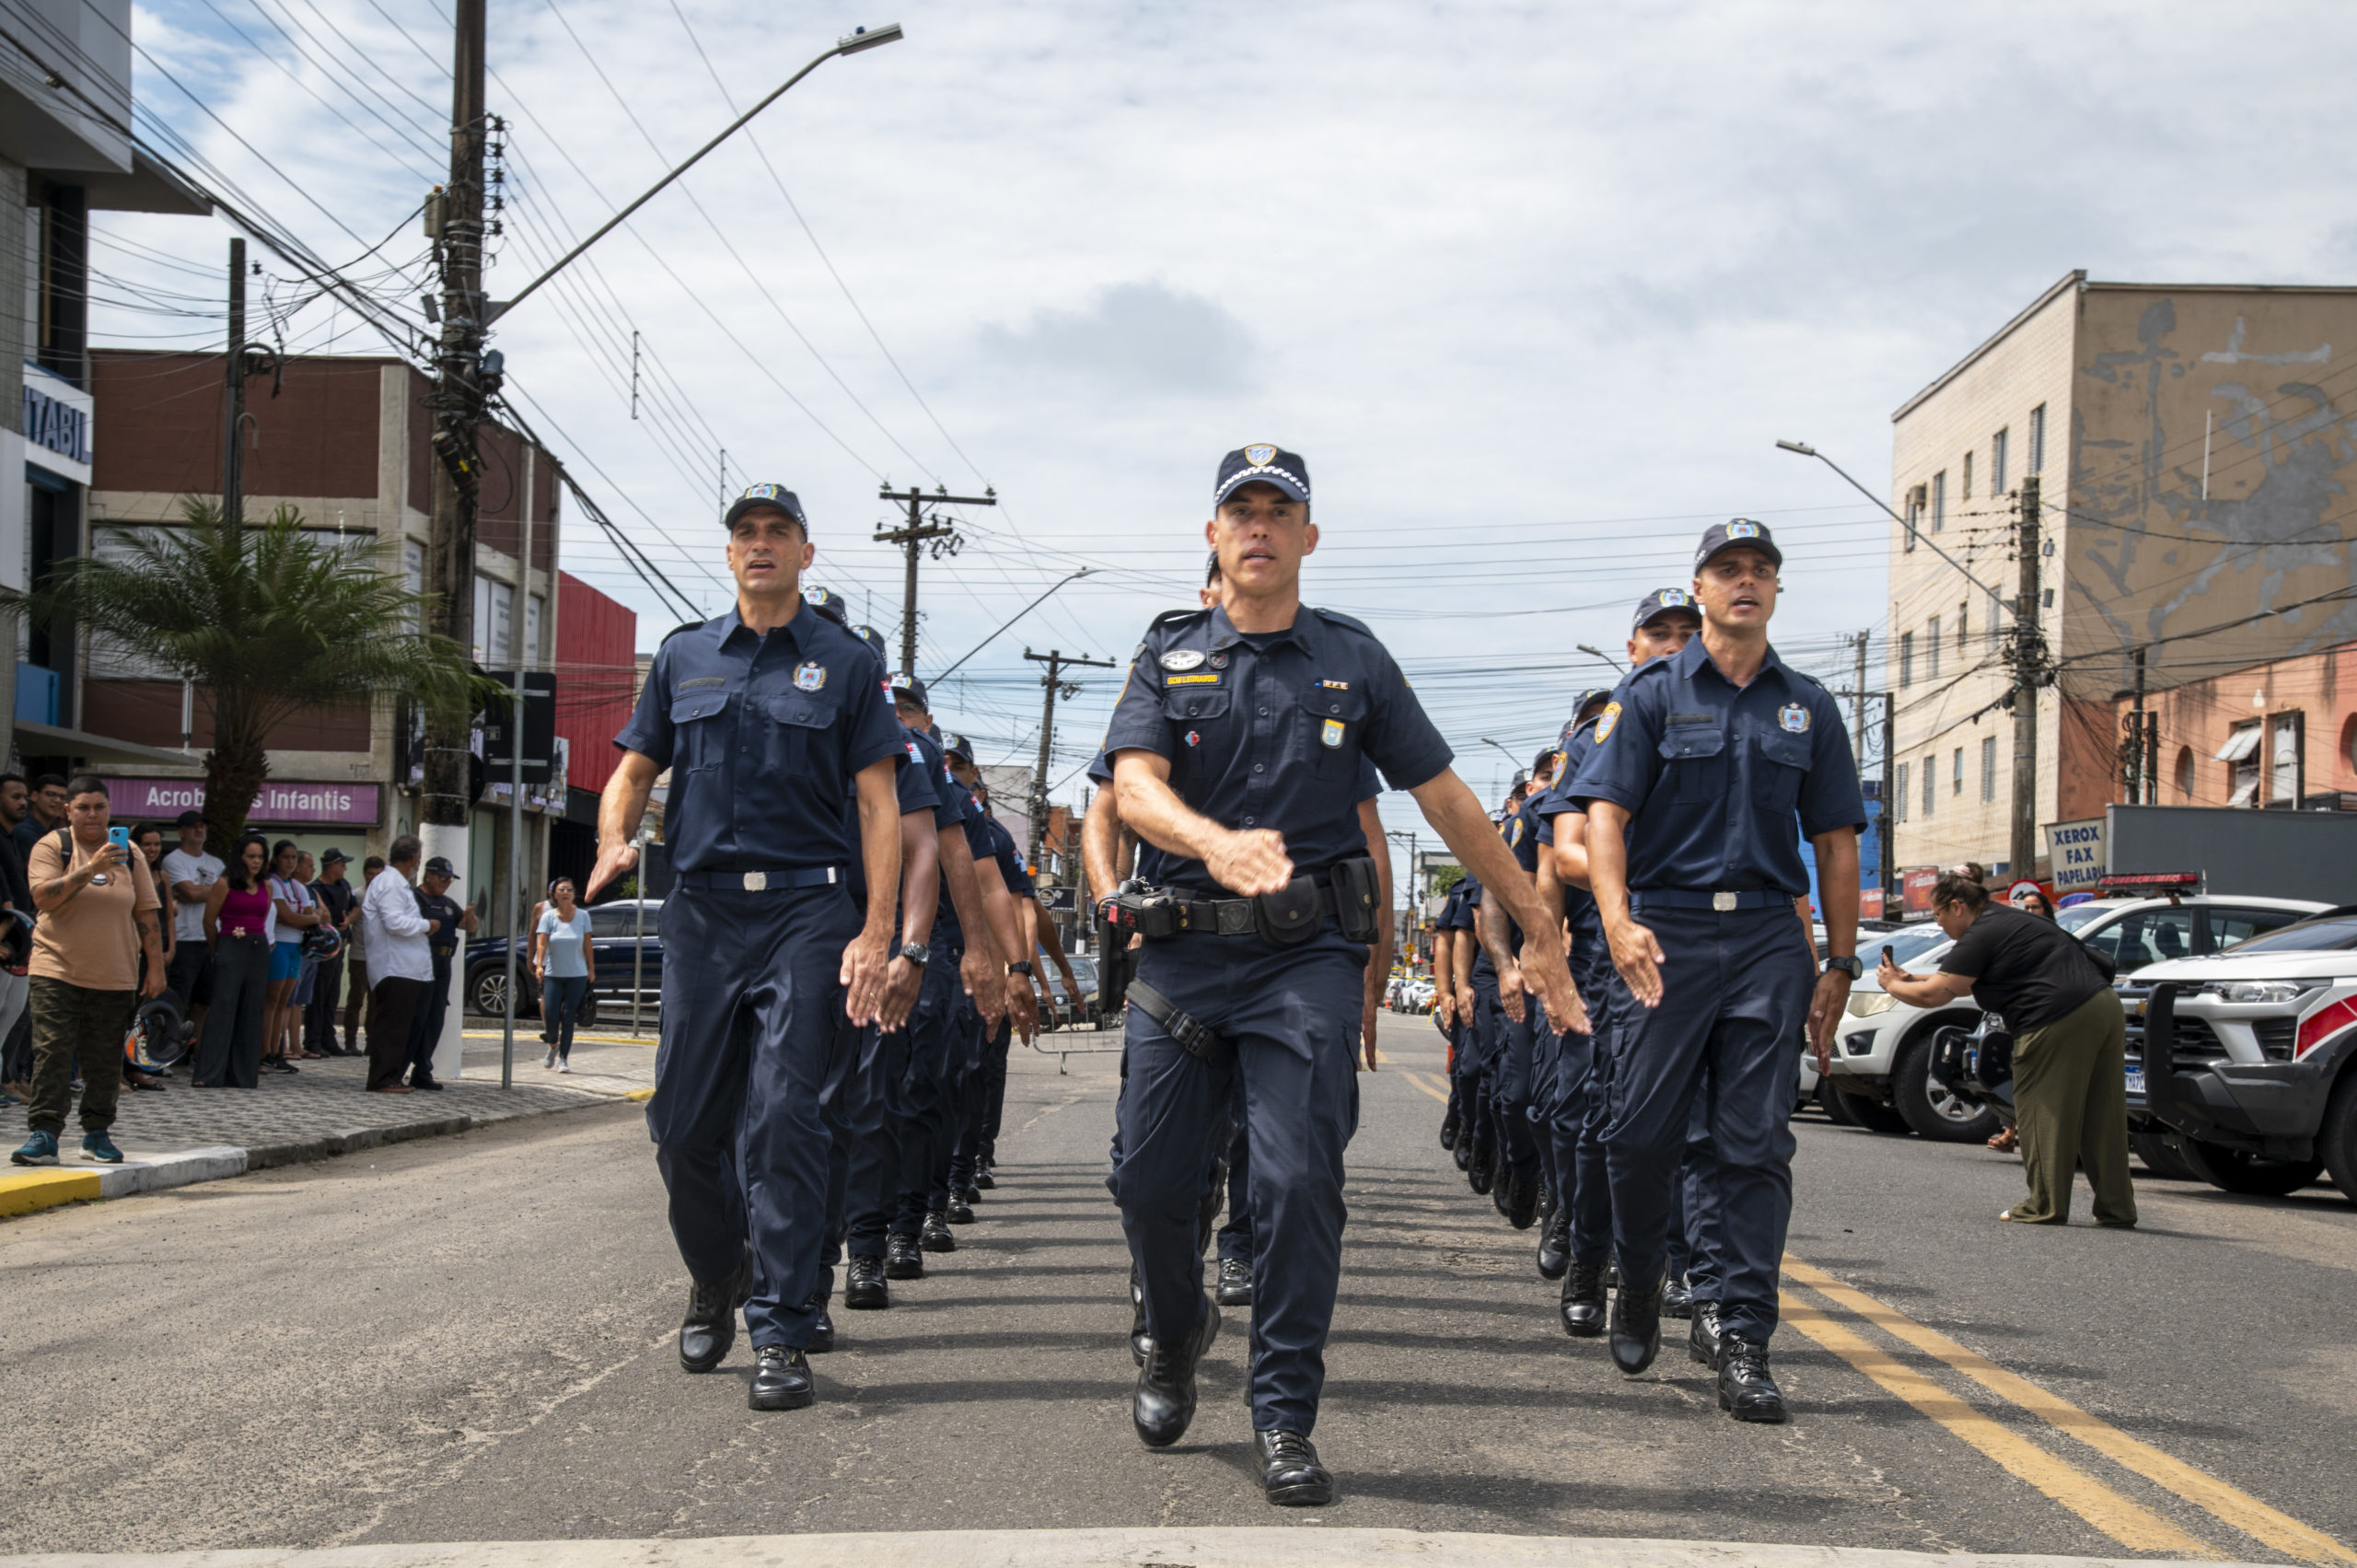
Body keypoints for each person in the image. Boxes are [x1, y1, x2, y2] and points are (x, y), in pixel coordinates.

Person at [1102, 444, 1577, 1506]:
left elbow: (1445, 798)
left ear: (1309, 537)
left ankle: (1283, 1412)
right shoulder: (1169, 652)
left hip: (1300, 961)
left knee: (1298, 1182)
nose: (1259, 526)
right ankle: (1173, 1333)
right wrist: (1214, 842)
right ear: (1213, 536)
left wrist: (1537, 912)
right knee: (1147, 1182)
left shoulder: (1354, 660)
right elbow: (1132, 788)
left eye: (1281, 511)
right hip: (1182, 953)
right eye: (1242, 510)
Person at [587, 481, 905, 1414]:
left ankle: (780, 1324)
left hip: (808, 910)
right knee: (681, 1128)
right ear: (728, 554)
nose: (759, 545)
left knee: (783, 1119)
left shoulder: (845, 663)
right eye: (745, 533)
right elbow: (635, 768)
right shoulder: (684, 655)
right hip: (701, 915)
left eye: (778, 532)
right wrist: (615, 834)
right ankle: (715, 1270)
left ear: (807, 553)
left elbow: (882, 804)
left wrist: (877, 928)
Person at [1568, 520, 1862, 1425]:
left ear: (1776, 590)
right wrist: (1617, 921)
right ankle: (1642, 1276)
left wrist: (1840, 959)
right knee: (1640, 1132)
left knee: (1753, 1141)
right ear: (1699, 588)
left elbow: (1836, 843)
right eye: (1727, 570)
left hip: (1768, 937)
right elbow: (1605, 818)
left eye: (1760, 571)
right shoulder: (1651, 694)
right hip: (1667, 931)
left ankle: (1743, 1332)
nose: (1745, 582)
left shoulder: (1807, 705)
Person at [1535, 591, 1711, 1343]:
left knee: (1710, 1127)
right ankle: (1588, 1256)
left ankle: (1698, 1278)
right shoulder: (1607, 729)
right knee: (1611, 1117)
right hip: (1620, 950)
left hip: (1712, 945)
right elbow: (1567, 852)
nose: (1674, 646)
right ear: (1632, 645)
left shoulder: (1727, 714)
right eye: (1658, 634)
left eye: (1686, 633)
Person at [1877, 870, 2132, 1226]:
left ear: (1957, 906)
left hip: (2054, 1016)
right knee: (2102, 1114)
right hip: (2102, 1006)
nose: (1939, 925)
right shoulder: (2009, 920)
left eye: (1938, 916)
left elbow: (1934, 995)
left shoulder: (1979, 935)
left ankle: (2044, 1205)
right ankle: (2116, 1208)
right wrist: (1910, 978)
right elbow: (1960, 984)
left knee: (2042, 1110)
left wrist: (1891, 985)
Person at [9, 777, 167, 1167]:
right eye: (82, 807)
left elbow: (146, 913)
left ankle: (97, 1134)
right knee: (52, 1052)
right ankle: (44, 1134)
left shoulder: (130, 853)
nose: (92, 814)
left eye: (99, 807)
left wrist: (156, 968)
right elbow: (43, 896)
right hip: (55, 967)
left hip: (115, 973)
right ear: (68, 811)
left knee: (104, 1059)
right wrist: (89, 868)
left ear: (110, 810)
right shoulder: (53, 846)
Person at [358, 837, 439, 1095]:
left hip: (404, 968)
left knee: (399, 1026)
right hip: (395, 967)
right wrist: (427, 925)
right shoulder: (390, 883)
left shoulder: (393, 882)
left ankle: (390, 1076)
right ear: (414, 858)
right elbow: (394, 923)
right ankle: (381, 1079)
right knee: (391, 1027)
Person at [193, 836, 274, 1089]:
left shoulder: (267, 886)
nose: (256, 862)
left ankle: (243, 1075)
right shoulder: (224, 883)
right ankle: (209, 1073)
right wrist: (222, 946)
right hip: (230, 944)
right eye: (251, 856)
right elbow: (209, 921)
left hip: (258, 947)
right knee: (223, 1007)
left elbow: (263, 916)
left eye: (260, 857)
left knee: (252, 1009)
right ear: (240, 857)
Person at [406, 856, 476, 1090]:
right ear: (429, 876)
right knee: (418, 1017)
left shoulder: (447, 903)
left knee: (435, 1018)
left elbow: (468, 926)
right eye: (443, 878)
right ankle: (401, 1067)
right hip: (422, 962)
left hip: (444, 963)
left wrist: (469, 914)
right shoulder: (415, 898)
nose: (446, 883)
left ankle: (423, 1070)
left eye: (450, 880)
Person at [261, 842, 322, 1073]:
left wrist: (310, 917)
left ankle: (277, 1051)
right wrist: (312, 918)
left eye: (293, 858)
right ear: (276, 859)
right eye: (285, 857)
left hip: (296, 947)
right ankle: (264, 1051)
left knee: (285, 1003)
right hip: (279, 944)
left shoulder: (299, 886)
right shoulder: (272, 884)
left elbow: (311, 914)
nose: (290, 862)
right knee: (272, 1001)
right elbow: (288, 917)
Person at [161, 811, 223, 1030]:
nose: (199, 830)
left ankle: (197, 1055)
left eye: (202, 826)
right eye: (193, 826)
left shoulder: (215, 863)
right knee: (177, 1000)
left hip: (209, 940)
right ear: (181, 832)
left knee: (204, 1003)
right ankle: (169, 1051)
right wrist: (217, 891)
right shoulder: (173, 860)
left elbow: (207, 893)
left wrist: (201, 891)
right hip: (184, 940)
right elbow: (190, 893)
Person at [534, 877, 596, 1072]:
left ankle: (563, 1059)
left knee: (568, 1016)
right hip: (553, 974)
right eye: (561, 889)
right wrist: (539, 965)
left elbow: (587, 944)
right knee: (551, 1014)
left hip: (577, 974)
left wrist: (591, 969)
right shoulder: (548, 917)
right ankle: (553, 1044)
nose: (565, 892)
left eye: (569, 889)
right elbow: (542, 942)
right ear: (554, 895)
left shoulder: (583, 916)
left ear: (573, 893)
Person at [306, 849, 359, 1056]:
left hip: (340, 948)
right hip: (323, 951)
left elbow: (356, 909)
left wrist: (349, 921)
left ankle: (329, 1040)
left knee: (333, 996)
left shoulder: (344, 886)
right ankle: (313, 1040)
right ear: (332, 866)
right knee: (318, 995)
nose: (345, 868)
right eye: (342, 864)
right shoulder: (316, 889)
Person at [342, 855, 385, 1052]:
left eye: (378, 874)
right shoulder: (357, 895)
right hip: (359, 955)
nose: (373, 878)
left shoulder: (388, 897)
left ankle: (372, 1042)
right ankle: (350, 1042)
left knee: (376, 1003)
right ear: (364, 874)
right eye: (370, 874)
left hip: (380, 957)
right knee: (355, 1000)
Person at [15, 774, 66, 861]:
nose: (58, 800)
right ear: (35, 796)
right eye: (51, 794)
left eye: (63, 797)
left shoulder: (52, 828)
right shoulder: (24, 830)